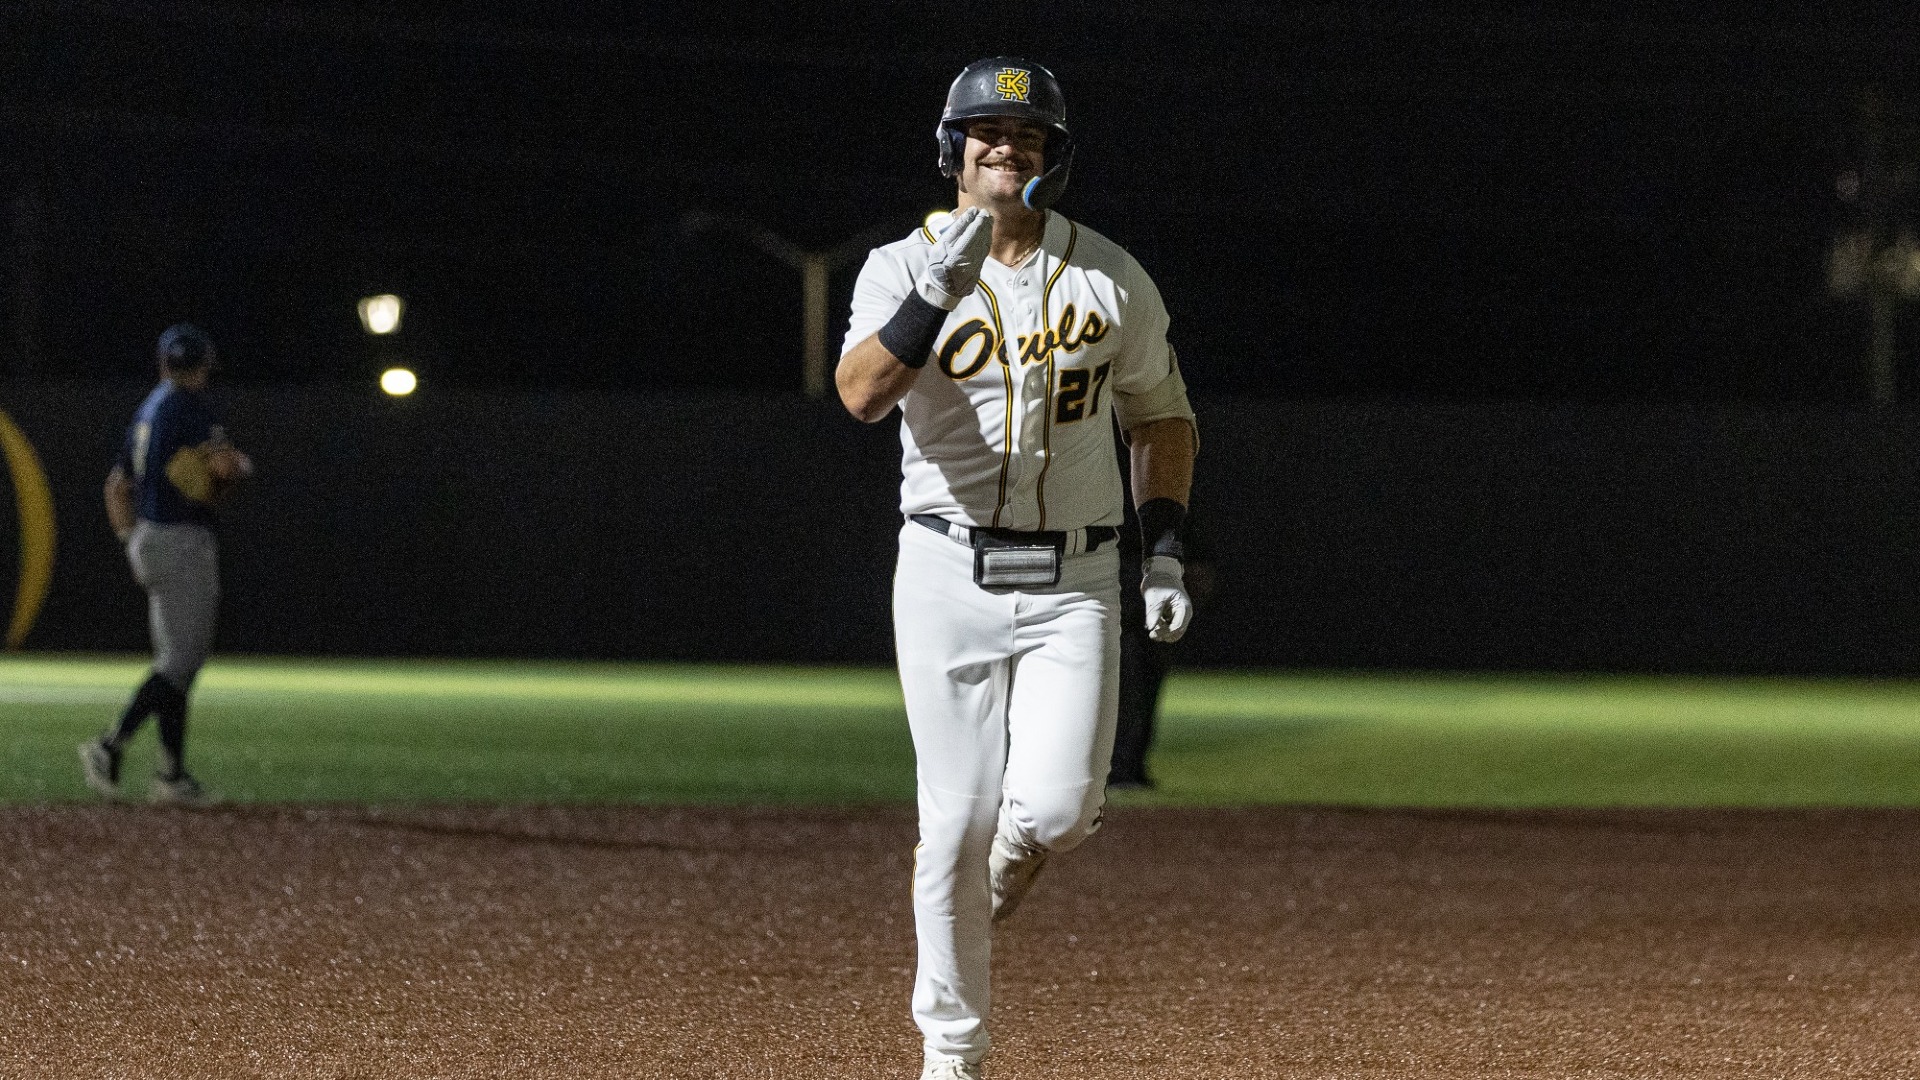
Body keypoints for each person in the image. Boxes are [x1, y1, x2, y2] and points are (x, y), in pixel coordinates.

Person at [836, 57, 1199, 1080]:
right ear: (953, 151)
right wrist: (932, 297)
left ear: (1054, 157)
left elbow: (1162, 416)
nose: (1007, 146)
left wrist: (1163, 545)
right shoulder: (895, 266)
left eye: (1028, 134)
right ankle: (953, 1052)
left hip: (1077, 580)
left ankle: (1001, 867)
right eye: (988, 133)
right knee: (952, 820)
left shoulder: (1108, 273)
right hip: (945, 569)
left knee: (1059, 812)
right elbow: (860, 394)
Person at [80, 323, 252, 807]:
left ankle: (171, 776)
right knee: (181, 662)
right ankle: (109, 745)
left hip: (148, 536)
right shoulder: (191, 406)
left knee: (175, 662)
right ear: (203, 366)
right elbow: (221, 468)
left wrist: (130, 538)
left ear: (163, 363)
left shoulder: (148, 409)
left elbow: (116, 485)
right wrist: (242, 467)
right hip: (183, 540)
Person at [1108, 501, 1214, 790]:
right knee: (1126, 672)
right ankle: (1119, 768)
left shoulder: (1163, 468)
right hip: (1118, 568)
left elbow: (1180, 512)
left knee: (1150, 669)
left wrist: (1195, 562)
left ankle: (1132, 765)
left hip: (1158, 567)